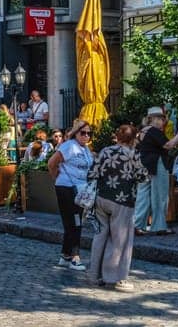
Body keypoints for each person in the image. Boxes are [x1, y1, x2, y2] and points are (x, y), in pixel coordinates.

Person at [85, 123, 149, 291]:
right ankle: (116, 277)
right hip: (123, 200)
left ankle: (94, 274)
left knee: (100, 235)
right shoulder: (133, 154)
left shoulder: (106, 151)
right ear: (133, 138)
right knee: (121, 240)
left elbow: (92, 173)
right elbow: (143, 176)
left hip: (101, 197)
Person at [48, 120, 94, 270]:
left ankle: (65, 255)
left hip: (80, 189)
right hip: (67, 188)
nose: (86, 136)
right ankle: (75, 257)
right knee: (75, 223)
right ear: (76, 133)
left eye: (89, 133)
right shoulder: (69, 146)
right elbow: (52, 163)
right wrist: (58, 179)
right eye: (83, 133)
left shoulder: (86, 149)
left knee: (73, 223)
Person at [133, 108, 178, 235]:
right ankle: (159, 226)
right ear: (153, 119)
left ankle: (137, 225)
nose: (163, 121)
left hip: (144, 165)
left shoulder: (142, 131)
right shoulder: (154, 131)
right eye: (161, 118)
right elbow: (168, 145)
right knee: (160, 196)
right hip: (157, 164)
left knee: (143, 196)